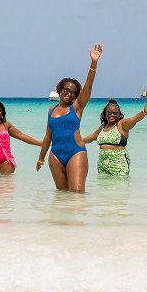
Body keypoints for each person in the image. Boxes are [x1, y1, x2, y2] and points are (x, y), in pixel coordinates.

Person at [37, 44, 102, 193]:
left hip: (76, 152)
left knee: (77, 196)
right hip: (55, 156)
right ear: (60, 90)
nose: (70, 94)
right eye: (67, 90)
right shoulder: (51, 110)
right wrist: (41, 158)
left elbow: (88, 86)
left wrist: (94, 63)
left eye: (74, 92)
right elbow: (48, 136)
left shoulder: (77, 107)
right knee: (62, 198)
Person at [81, 99, 147, 176]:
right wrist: (79, 142)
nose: (112, 115)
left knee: (119, 187)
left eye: (115, 113)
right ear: (105, 114)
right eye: (109, 113)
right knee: (103, 187)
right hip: (102, 166)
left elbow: (134, 120)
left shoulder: (121, 124)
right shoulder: (103, 128)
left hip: (118, 165)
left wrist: (144, 112)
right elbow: (92, 137)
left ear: (118, 114)